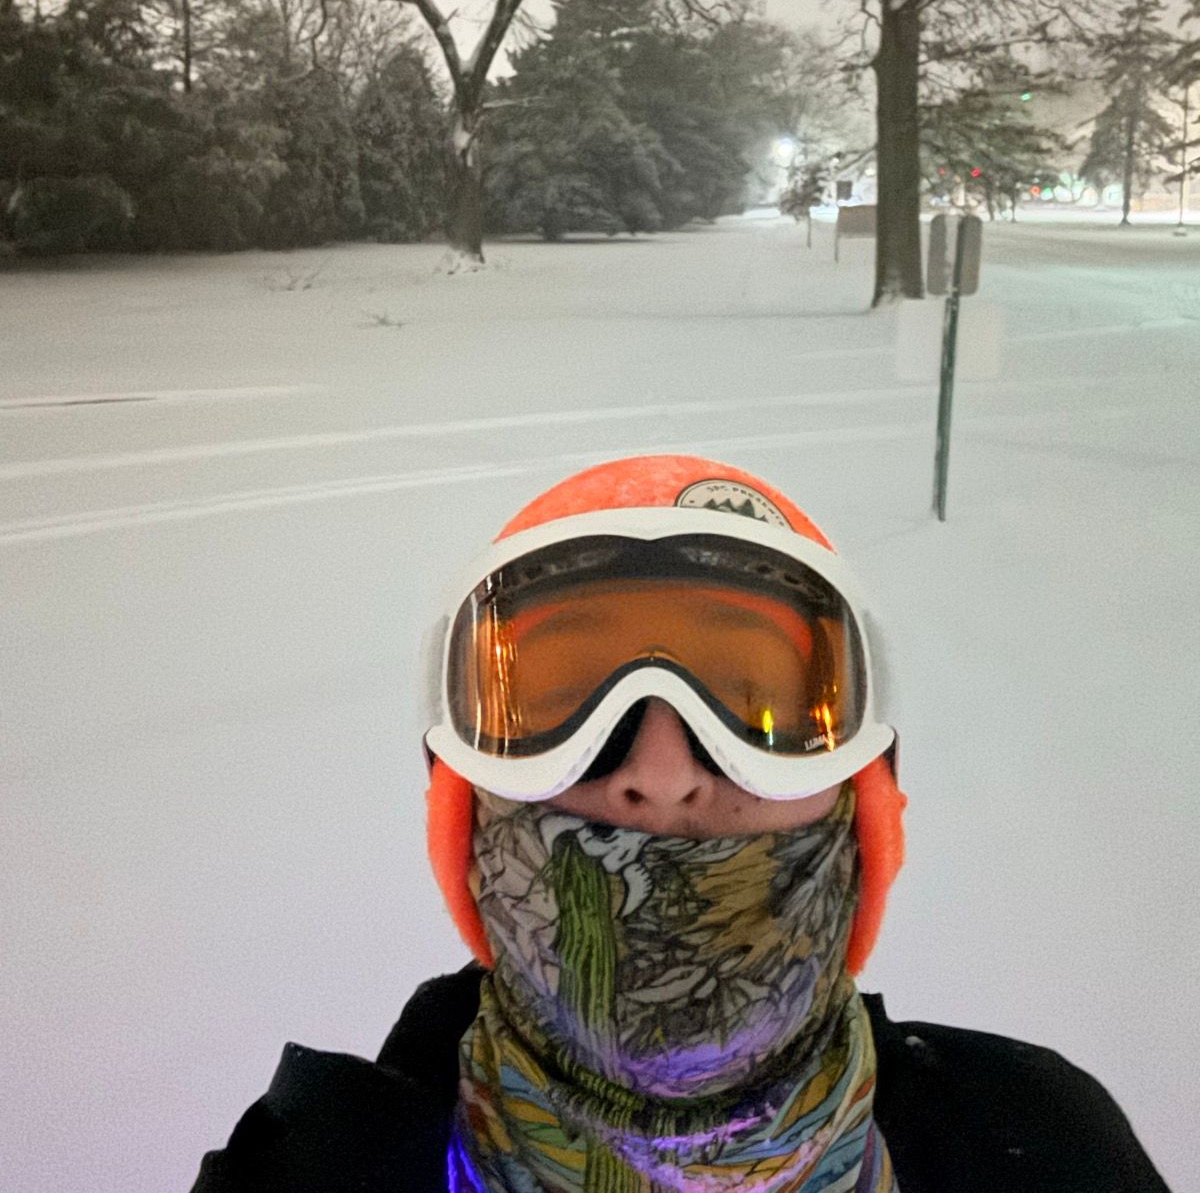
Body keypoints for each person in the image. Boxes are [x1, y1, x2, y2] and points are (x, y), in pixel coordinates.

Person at [191, 454, 1170, 1192]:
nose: (661, 778)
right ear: (465, 804)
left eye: (753, 700)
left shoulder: (1043, 1146)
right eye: (562, 696)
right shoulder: (305, 1173)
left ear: (860, 795)